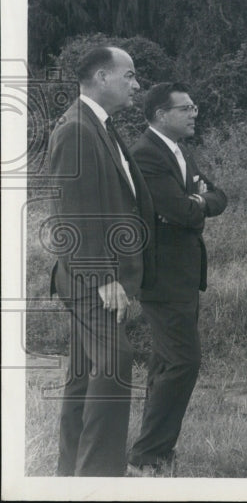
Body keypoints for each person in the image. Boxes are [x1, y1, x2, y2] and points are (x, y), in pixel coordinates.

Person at [47, 46, 156, 476]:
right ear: (101, 77)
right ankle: (100, 476)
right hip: (92, 279)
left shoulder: (98, 125)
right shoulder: (77, 128)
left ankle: (71, 472)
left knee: (83, 377)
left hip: (92, 278)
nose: (136, 85)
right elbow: (70, 215)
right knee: (115, 362)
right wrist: (105, 278)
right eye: (129, 76)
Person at [127, 83, 227, 475]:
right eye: (185, 108)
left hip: (184, 275)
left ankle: (154, 453)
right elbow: (179, 210)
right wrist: (196, 203)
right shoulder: (146, 154)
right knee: (184, 361)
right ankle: (148, 455)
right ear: (159, 114)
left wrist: (197, 201)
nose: (194, 113)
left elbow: (218, 197)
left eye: (194, 107)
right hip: (162, 277)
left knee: (167, 363)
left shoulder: (181, 151)